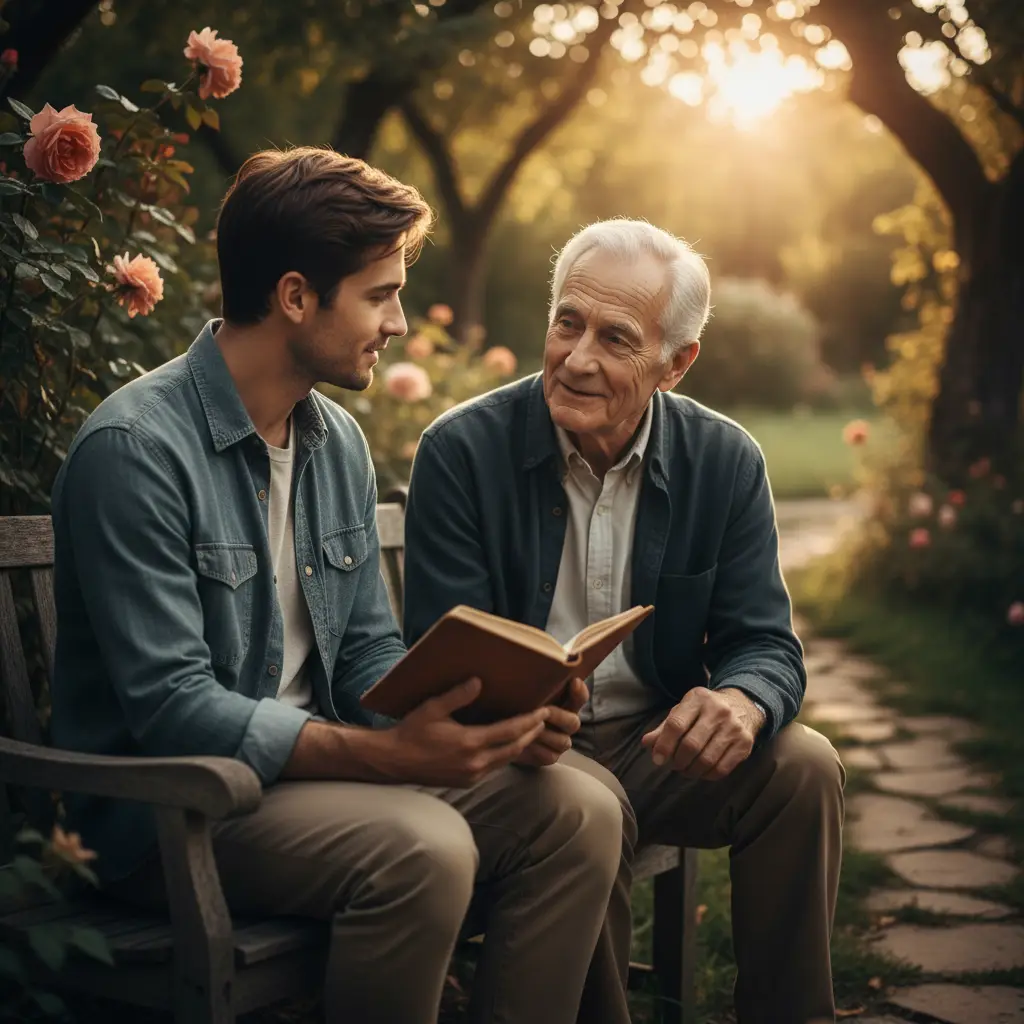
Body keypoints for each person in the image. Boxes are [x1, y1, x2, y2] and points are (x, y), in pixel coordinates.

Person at [50, 148, 634, 1024]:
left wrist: (491, 716)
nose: (396, 322)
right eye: (380, 294)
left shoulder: (335, 442)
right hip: (174, 815)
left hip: (316, 783)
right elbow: (175, 708)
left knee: (581, 808)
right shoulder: (135, 452)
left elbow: (366, 649)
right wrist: (392, 759)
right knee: (426, 848)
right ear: (295, 297)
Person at [403, 218, 846, 1024]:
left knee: (805, 767)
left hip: (656, 745)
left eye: (615, 338)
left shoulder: (726, 459)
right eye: (567, 323)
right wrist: (516, 714)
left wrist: (742, 702)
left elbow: (765, 643)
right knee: (586, 804)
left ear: (676, 364)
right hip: (528, 751)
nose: (577, 358)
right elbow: (441, 652)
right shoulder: (461, 450)